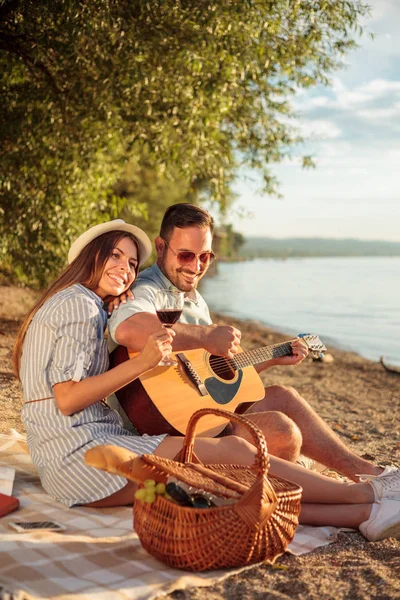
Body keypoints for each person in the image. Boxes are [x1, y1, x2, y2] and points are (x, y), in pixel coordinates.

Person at [12, 218, 400, 540]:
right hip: (79, 458)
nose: (126, 268)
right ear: (89, 257)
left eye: (131, 263)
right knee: (225, 472)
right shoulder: (77, 303)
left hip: (91, 445)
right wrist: (144, 361)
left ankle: (365, 511)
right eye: (115, 255)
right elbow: (67, 400)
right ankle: (366, 492)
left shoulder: (86, 303)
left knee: (223, 475)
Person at [108, 203, 399, 484]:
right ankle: (291, 493)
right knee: (283, 431)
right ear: (161, 247)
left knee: (285, 397)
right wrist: (207, 336)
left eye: (205, 257)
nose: (196, 266)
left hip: (195, 415)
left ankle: (368, 473)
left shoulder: (194, 299)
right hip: (157, 430)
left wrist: (273, 358)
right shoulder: (147, 289)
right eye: (185, 256)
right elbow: (127, 329)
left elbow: (215, 381)